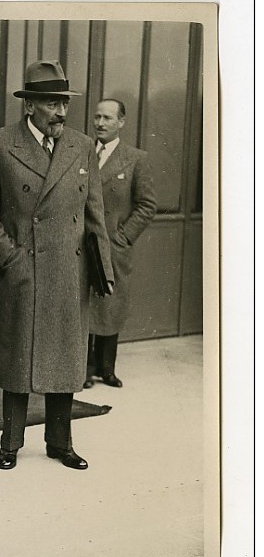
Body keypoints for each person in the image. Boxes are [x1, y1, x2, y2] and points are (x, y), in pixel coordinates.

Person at [0, 60, 114, 472]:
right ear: (29, 105)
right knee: (19, 358)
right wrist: (13, 259)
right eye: (52, 104)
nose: (61, 113)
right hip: (24, 270)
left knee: (66, 359)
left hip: (71, 272)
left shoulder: (82, 146)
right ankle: (11, 442)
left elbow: (94, 213)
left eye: (64, 103)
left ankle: (60, 443)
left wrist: (102, 270)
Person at [84, 99, 157, 389]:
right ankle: (86, 369)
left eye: (108, 118)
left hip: (114, 247)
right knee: (87, 304)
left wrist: (123, 236)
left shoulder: (136, 158)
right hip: (86, 243)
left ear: (121, 123)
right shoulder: (82, 152)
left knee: (111, 303)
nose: (100, 123)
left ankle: (106, 368)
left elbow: (147, 205)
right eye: (97, 117)